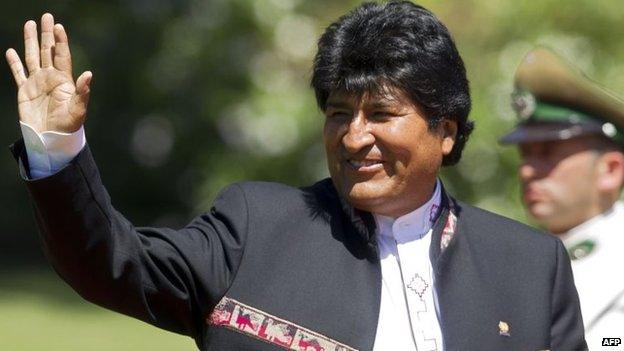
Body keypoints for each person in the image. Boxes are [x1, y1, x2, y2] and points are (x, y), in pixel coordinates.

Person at [7, 2, 587, 350]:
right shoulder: (256, 226)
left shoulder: (530, 266)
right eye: (339, 113)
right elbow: (108, 261)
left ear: (447, 131)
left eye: (381, 114)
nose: (354, 137)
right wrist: (57, 148)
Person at [500, 47, 624, 347]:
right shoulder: (519, 258)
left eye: (548, 153)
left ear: (610, 170)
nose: (527, 171)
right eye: (525, 154)